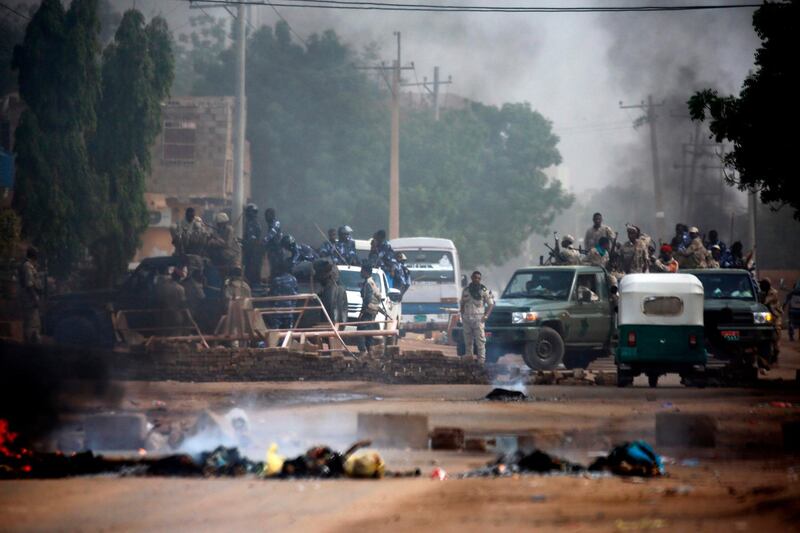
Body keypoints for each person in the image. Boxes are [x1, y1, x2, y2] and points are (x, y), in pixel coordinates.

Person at [459, 271, 494, 362]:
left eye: (478, 278)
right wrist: (462, 314)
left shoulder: (483, 290)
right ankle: (469, 358)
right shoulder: (466, 290)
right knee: (468, 340)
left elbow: (491, 305)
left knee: (480, 341)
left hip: (478, 319)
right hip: (467, 318)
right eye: (475, 278)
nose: (477, 280)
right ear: (472, 278)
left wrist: (486, 316)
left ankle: (481, 361)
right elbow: (462, 303)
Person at [18, 246, 43, 343]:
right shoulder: (27, 266)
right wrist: (35, 299)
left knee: (34, 323)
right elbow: (30, 285)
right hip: (29, 299)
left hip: (30, 298)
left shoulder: (30, 265)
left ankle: (31, 344)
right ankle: (29, 346)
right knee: (31, 324)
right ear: (33, 255)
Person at [356, 262, 382, 355]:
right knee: (368, 331)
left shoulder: (368, 283)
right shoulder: (372, 282)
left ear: (366, 272)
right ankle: (371, 352)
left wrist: (361, 313)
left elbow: (367, 300)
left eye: (362, 271)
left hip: (368, 310)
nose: (360, 272)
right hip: (373, 311)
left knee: (360, 331)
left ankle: (363, 352)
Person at [268, 260, 299, 330]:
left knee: (275, 331)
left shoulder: (276, 280)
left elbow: (271, 294)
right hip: (289, 310)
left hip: (278, 311)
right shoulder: (293, 279)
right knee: (288, 332)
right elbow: (296, 293)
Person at [759, 278, 782, 362]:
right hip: (765, 316)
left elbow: (765, 302)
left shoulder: (773, 293)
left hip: (774, 317)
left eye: (762, 285)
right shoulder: (763, 292)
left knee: (775, 337)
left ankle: (775, 353)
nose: (760, 286)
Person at [242, 203, 263, 287]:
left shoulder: (252, 224)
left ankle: (254, 286)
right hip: (252, 250)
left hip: (252, 251)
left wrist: (244, 242)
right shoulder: (252, 223)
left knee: (252, 269)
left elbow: (252, 239)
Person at [262, 208, 283, 277]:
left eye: (267, 215)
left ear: (272, 215)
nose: (266, 218)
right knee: (272, 265)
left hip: (277, 249)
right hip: (272, 249)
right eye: (265, 215)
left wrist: (264, 241)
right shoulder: (270, 224)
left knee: (276, 266)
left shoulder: (276, 223)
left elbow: (271, 234)